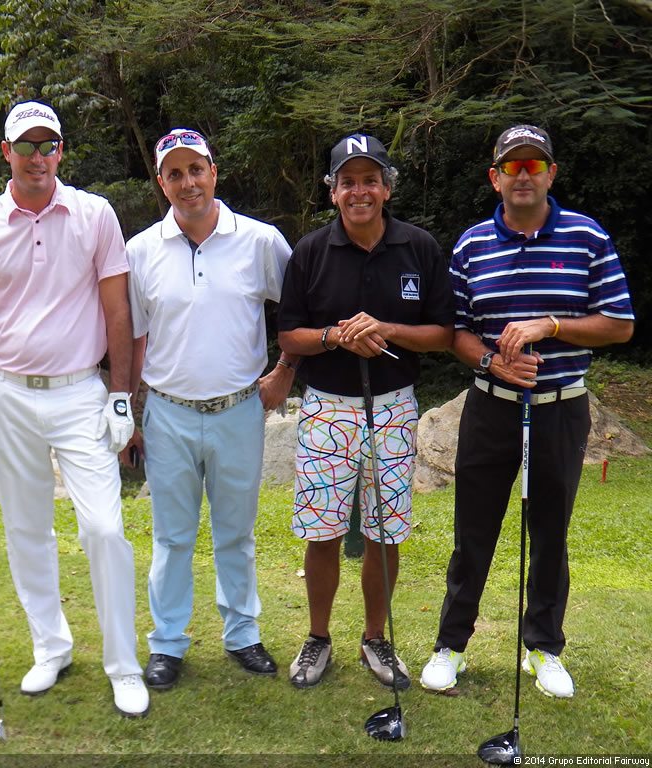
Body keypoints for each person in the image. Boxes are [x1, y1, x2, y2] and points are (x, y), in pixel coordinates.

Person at [0, 101, 149, 717]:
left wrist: (121, 395)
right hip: (7, 392)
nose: (38, 156)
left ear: (61, 150)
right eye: (26, 146)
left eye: (48, 145)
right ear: (6, 152)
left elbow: (117, 311)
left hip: (80, 392)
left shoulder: (94, 214)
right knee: (26, 529)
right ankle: (50, 647)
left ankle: (123, 665)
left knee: (104, 529)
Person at [420, 125, 634, 699]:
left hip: (560, 409)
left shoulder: (586, 237)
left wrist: (552, 324)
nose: (522, 176)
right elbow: (455, 332)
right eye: (511, 167)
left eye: (533, 165)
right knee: (473, 532)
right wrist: (492, 361)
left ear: (550, 174)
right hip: (491, 408)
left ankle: (544, 648)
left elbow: (619, 323)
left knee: (550, 533)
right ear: (495, 178)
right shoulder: (470, 246)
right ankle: (451, 644)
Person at [277, 133, 455, 691]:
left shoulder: (418, 247)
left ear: (386, 188)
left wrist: (386, 329)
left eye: (370, 180)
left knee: (385, 531)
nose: (360, 191)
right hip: (327, 408)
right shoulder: (311, 251)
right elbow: (289, 334)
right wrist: (335, 335)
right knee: (323, 530)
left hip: (394, 406)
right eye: (348, 182)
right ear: (332, 191)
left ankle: (375, 637)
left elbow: (443, 333)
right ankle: (318, 637)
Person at [124, 128, 297, 690]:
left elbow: (298, 308)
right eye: (174, 174)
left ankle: (243, 634)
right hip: (168, 412)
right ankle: (167, 643)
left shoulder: (259, 241)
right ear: (162, 183)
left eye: (195, 169)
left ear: (213, 173)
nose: (188, 183)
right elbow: (133, 336)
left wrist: (285, 370)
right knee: (172, 537)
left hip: (238, 409)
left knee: (235, 533)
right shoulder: (141, 250)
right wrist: (129, 412)